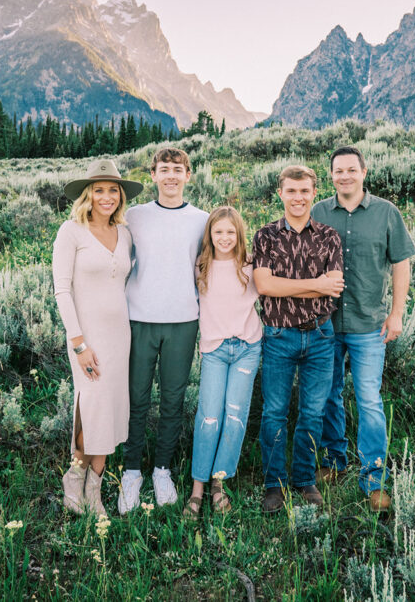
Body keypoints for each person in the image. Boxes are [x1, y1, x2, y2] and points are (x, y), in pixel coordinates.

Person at [311, 145, 415, 512]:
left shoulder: (386, 212)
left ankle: (374, 478)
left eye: (351, 170)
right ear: (332, 175)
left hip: (370, 324)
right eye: (338, 170)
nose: (344, 176)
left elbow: (401, 263)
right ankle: (335, 461)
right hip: (324, 324)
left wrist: (397, 313)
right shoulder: (318, 211)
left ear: (364, 172)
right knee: (328, 394)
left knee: (369, 399)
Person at [119, 147, 208, 513]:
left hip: (183, 320)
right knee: (136, 398)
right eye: (163, 169)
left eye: (178, 170)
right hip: (139, 318)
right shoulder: (134, 216)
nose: (171, 176)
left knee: (173, 399)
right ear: (152, 175)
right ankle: (131, 472)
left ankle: (162, 470)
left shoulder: (202, 220)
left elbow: (210, 268)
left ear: (188, 175)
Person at [53, 159, 143, 518]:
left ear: (120, 195)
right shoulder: (70, 231)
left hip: (120, 337)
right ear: (88, 195)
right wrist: (79, 344)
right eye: (99, 190)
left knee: (110, 411)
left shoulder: (125, 234)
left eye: (113, 190)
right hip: (85, 339)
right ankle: (73, 480)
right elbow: (62, 290)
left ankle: (95, 491)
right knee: (89, 409)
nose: (107, 197)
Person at [252, 165, 344, 514]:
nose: (298, 197)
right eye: (291, 191)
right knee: (274, 412)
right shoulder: (266, 236)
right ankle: (273, 485)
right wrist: (316, 285)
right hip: (278, 335)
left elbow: (333, 285)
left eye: (304, 191)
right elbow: (265, 285)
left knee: (312, 412)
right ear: (281, 193)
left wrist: (312, 286)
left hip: (321, 336)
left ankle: (304, 480)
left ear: (313, 193)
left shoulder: (328, 236)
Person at [183, 206, 263, 518]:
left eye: (231, 232)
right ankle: (197, 487)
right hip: (215, 350)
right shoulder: (201, 266)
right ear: (210, 235)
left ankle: (219, 482)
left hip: (247, 348)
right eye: (218, 232)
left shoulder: (250, 267)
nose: (225, 238)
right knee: (209, 415)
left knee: (235, 414)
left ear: (239, 235)